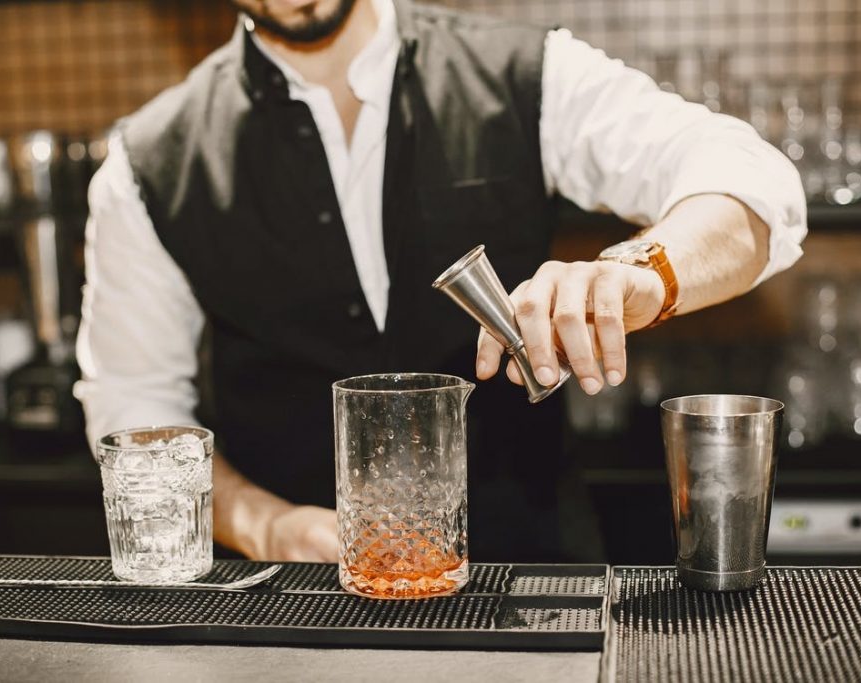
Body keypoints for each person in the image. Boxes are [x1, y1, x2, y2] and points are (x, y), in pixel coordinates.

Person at [75, 0, 806, 564]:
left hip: (536, 583)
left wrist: (642, 271)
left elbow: (751, 183)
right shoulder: (147, 168)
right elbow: (134, 405)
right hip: (299, 610)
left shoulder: (526, 74)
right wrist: (267, 526)